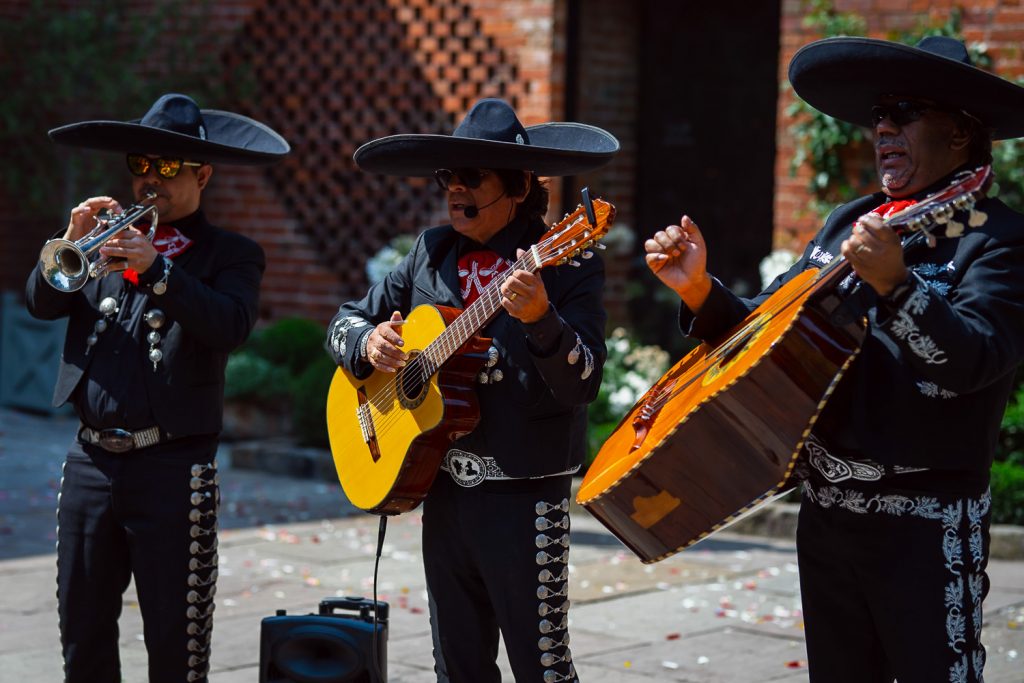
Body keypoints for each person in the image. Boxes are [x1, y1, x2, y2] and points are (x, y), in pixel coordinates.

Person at [645, 36, 1024, 683]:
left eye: (905, 111)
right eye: (879, 113)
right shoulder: (852, 220)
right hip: (828, 519)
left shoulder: (999, 238)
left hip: (924, 528)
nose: (883, 127)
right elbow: (769, 333)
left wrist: (896, 286)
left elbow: (974, 360)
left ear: (961, 135)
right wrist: (699, 289)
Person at [327, 98, 618, 682]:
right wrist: (368, 346)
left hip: (525, 499)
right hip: (444, 494)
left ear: (516, 184)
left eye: (471, 176)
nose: (454, 189)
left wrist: (542, 319)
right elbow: (344, 320)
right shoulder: (429, 251)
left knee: (543, 668)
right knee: (456, 667)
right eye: (447, 177)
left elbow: (584, 381)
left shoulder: (565, 261)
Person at [27, 93, 288, 683]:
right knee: (83, 630)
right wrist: (70, 239)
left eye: (168, 169)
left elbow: (230, 326)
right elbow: (40, 303)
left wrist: (157, 271)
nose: (150, 179)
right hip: (92, 458)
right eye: (140, 165)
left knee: (177, 641)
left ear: (203, 174)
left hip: (173, 464)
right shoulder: (102, 243)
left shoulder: (232, 254)